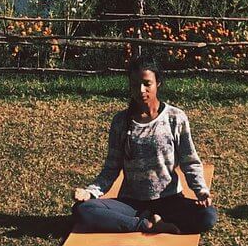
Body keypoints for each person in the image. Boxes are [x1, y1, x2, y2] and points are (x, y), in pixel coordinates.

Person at [71, 59, 217, 235]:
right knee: (83, 210)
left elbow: (190, 161)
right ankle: (146, 225)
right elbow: (111, 168)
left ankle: (149, 220)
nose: (141, 90)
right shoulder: (120, 121)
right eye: (135, 85)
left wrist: (201, 191)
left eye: (147, 84)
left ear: (158, 83)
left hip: (169, 201)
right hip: (131, 204)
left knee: (208, 216)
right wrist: (90, 193)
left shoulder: (175, 117)